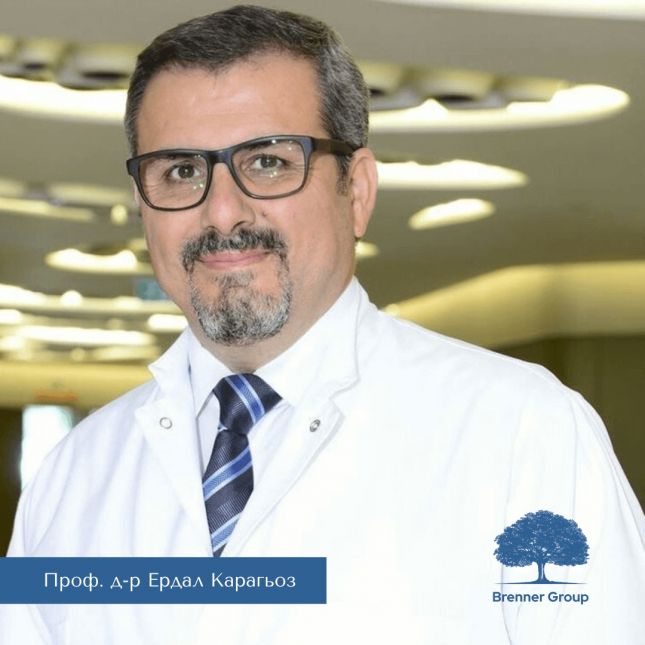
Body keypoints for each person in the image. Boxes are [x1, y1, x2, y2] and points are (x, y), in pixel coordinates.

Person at [2, 5, 643, 644]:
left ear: (356, 190)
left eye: (269, 162)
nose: (222, 212)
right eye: (181, 171)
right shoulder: (74, 473)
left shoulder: (524, 432)